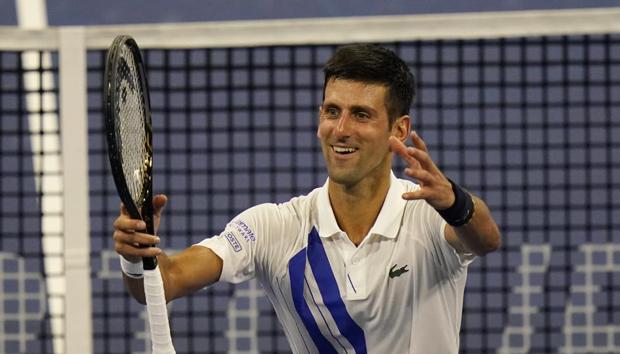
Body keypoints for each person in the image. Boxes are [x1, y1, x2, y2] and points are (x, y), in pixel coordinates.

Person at [113, 43, 501, 353]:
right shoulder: (274, 227)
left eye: (361, 115)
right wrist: (135, 256)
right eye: (332, 111)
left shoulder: (428, 213)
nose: (341, 129)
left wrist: (454, 202)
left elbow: (484, 238)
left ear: (398, 129)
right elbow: (166, 281)